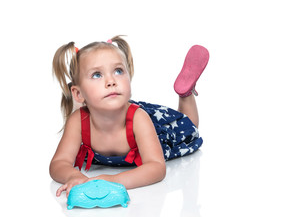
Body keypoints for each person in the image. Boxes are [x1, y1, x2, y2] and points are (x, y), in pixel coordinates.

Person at [49, 35, 209, 197]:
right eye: (97, 75)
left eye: (118, 71)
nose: (111, 81)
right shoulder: (78, 121)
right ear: (78, 93)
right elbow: (58, 163)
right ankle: (90, 99)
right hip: (94, 107)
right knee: (87, 109)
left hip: (149, 130)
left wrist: (112, 180)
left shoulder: (139, 119)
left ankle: (186, 93)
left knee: (189, 127)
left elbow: (156, 167)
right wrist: (74, 176)